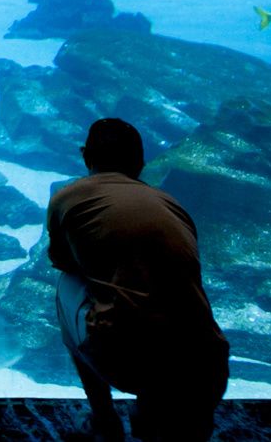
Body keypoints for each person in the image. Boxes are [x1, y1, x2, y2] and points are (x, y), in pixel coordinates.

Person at [46, 118, 229, 442]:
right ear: (141, 164)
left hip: (129, 362)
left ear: (85, 155)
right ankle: (159, 412)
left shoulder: (67, 196)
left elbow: (63, 262)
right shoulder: (172, 205)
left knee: (66, 285)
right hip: (208, 367)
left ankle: (104, 420)